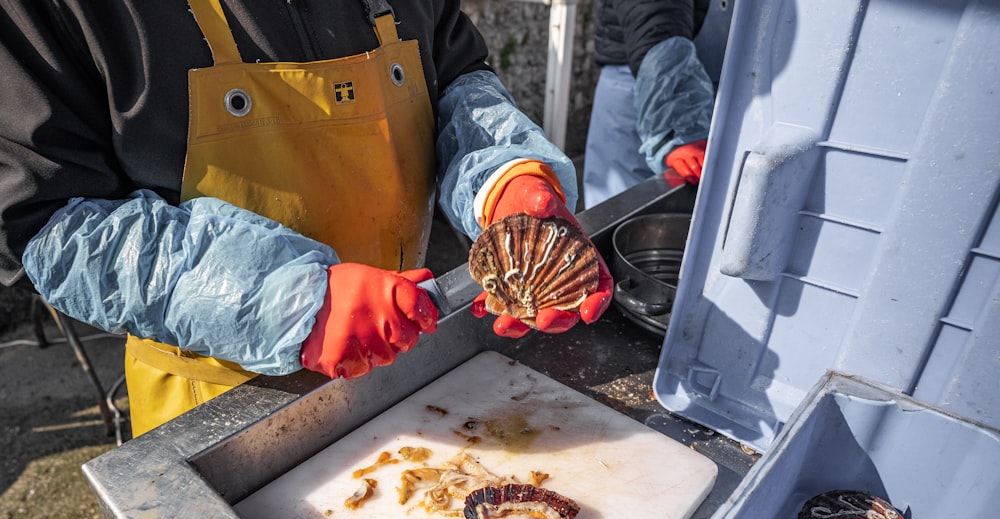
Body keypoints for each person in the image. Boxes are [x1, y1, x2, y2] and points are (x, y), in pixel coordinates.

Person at [0, 0, 612, 436]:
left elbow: (455, 76)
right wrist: (289, 298)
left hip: (403, 368)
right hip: (218, 410)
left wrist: (507, 179)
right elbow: (50, 222)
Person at [583, 0, 715, 208]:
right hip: (649, 71)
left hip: (684, 74)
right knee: (618, 215)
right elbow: (653, 10)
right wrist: (677, 122)